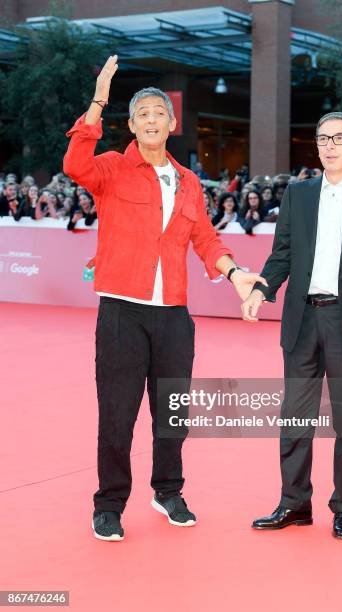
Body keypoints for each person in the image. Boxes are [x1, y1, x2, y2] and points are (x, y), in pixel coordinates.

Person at [63, 55, 266, 542]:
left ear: (173, 124)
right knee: (117, 412)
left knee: (172, 410)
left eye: (160, 113)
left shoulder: (189, 182)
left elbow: (206, 242)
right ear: (132, 125)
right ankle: (109, 503)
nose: (153, 120)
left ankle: (167, 491)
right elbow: (74, 164)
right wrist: (99, 98)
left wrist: (236, 273)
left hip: (174, 315)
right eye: (143, 115)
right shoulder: (111, 168)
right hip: (122, 312)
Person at [242, 111, 342, 540]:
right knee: (294, 419)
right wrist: (262, 290)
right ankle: (294, 504)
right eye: (322, 139)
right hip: (302, 319)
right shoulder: (298, 195)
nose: (329, 145)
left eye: (339, 138)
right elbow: (281, 255)